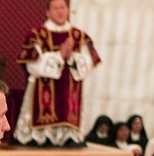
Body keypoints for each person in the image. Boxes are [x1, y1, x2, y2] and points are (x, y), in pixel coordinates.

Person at [15, 0, 101, 147]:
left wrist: (71, 57)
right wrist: (60, 55)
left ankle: (67, 138)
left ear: (68, 10)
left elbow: (89, 63)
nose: (60, 11)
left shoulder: (79, 36)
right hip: (41, 97)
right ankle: (42, 138)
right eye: (55, 8)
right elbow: (32, 66)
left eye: (63, 7)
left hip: (70, 96)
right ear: (47, 12)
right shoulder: (36, 35)